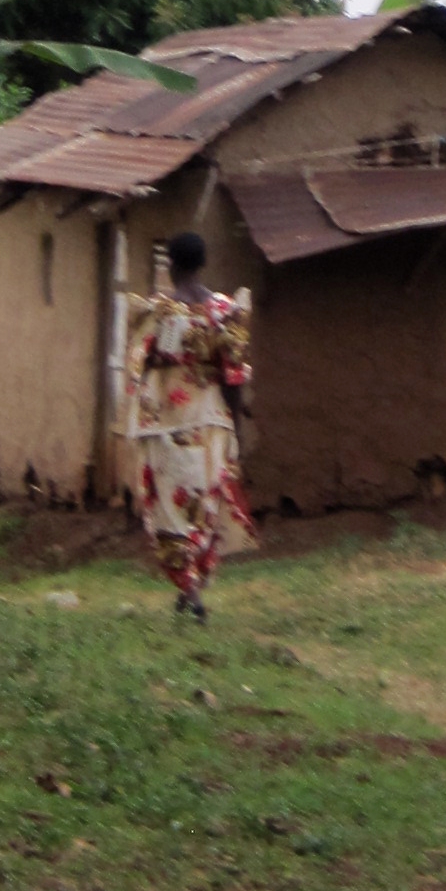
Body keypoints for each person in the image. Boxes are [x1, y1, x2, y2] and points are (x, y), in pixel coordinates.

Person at [128, 230, 253, 619]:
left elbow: (137, 369)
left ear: (170, 265)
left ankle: (190, 588)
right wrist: (237, 424)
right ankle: (193, 586)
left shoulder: (155, 314)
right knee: (204, 504)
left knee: (168, 506)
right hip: (212, 421)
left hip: (164, 422)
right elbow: (233, 376)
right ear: (202, 264)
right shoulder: (224, 312)